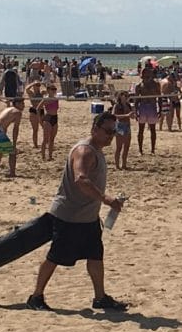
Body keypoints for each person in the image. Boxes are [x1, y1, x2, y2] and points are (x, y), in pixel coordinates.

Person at [27, 112, 127, 312]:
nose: (111, 136)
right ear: (95, 129)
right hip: (69, 216)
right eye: (107, 131)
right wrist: (106, 199)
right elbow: (80, 180)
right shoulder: (85, 151)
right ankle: (36, 296)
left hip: (87, 218)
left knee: (95, 256)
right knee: (55, 257)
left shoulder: (97, 150)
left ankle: (100, 297)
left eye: (114, 132)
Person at [0, 100, 23, 178]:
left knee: (0, 151)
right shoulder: (17, 112)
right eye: (22, 103)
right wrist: (14, 143)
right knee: (12, 152)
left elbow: (3, 123)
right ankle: (12, 173)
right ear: (17, 103)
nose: (23, 105)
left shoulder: (8, 109)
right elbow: (15, 129)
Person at [135, 68, 160, 154]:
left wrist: (160, 109)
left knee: (153, 129)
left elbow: (159, 97)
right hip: (143, 107)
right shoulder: (139, 85)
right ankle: (140, 150)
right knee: (141, 129)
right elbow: (136, 100)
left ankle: (152, 150)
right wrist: (135, 111)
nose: (146, 77)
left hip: (152, 107)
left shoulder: (156, 84)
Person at [112, 91, 133, 170]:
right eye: (124, 95)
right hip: (120, 126)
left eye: (126, 96)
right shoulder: (117, 106)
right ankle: (117, 165)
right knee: (119, 147)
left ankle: (124, 164)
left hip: (127, 125)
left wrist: (132, 115)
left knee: (126, 146)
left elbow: (131, 116)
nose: (125, 97)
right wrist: (126, 115)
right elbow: (114, 115)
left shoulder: (128, 105)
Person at [40, 85, 60, 161]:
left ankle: (50, 156)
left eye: (55, 89)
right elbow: (39, 108)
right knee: (45, 139)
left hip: (55, 118)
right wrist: (40, 119)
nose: (54, 91)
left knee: (52, 139)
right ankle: (43, 156)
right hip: (48, 118)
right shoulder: (45, 99)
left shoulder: (56, 99)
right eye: (52, 89)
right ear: (48, 90)